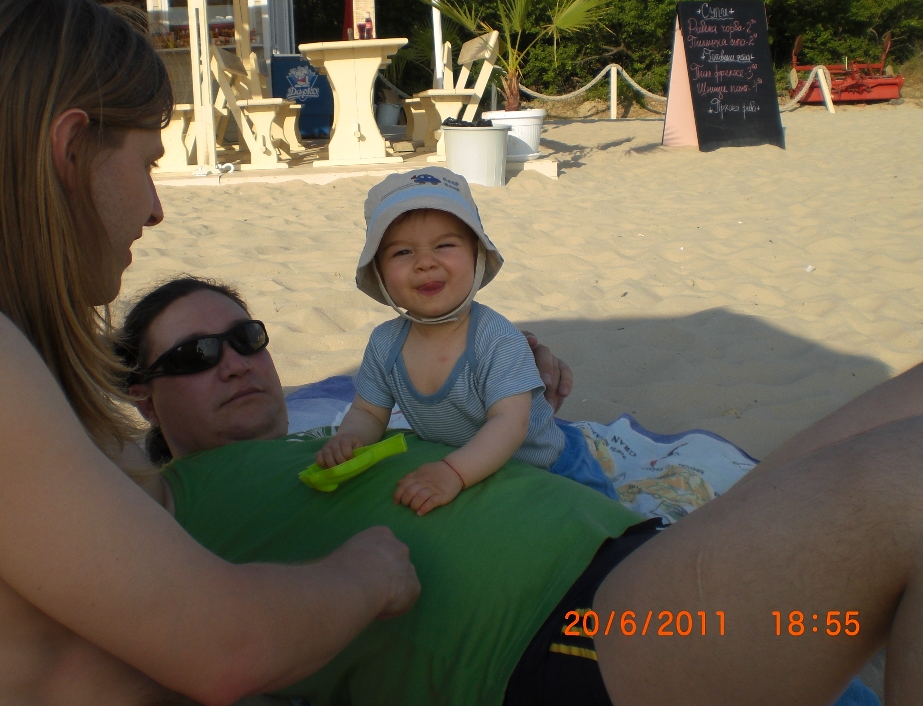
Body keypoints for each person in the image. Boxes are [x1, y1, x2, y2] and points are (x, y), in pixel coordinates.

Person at [0, 0, 420, 706]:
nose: (155, 209)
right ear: (71, 150)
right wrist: (368, 575)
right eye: (147, 164)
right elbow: (224, 648)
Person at [122, 276, 915, 706]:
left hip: (650, 559)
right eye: (194, 356)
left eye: (245, 338)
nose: (233, 363)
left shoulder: (333, 427)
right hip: (567, 637)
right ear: (144, 398)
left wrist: (514, 398)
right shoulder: (161, 505)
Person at [315, 168, 614, 516]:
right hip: (465, 467)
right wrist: (351, 438)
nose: (425, 263)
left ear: (477, 254)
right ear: (378, 272)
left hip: (546, 466)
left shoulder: (496, 338)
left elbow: (509, 424)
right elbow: (368, 412)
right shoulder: (385, 343)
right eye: (402, 252)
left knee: (601, 523)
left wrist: (453, 472)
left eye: (444, 245)